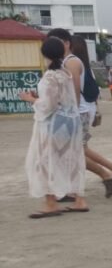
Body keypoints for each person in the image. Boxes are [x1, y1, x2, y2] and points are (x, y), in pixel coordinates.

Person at [47, 29, 112, 198]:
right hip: (80, 111)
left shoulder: (71, 62)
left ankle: (102, 177)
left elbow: (73, 90)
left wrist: (71, 113)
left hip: (77, 112)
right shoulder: (73, 62)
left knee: (73, 152)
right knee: (79, 150)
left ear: (67, 43)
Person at [20, 38, 88, 218]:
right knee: (71, 160)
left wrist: (31, 99)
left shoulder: (50, 76)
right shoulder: (65, 73)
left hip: (54, 124)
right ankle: (79, 199)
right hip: (70, 121)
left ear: (44, 54)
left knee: (45, 161)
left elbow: (48, 105)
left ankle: (50, 203)